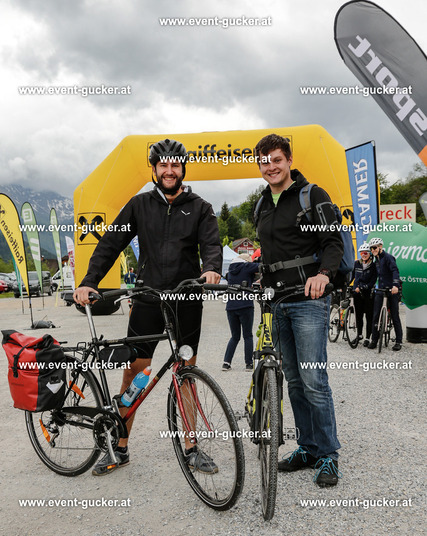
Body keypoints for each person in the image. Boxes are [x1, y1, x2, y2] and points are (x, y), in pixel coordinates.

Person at [73, 138, 222, 475]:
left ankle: (191, 447)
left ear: (182, 168)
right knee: (135, 372)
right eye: (163, 165)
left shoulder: (200, 207)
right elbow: (111, 243)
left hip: (186, 299)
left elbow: (211, 244)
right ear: (154, 169)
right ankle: (120, 447)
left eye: (175, 165)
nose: (169, 171)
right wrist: (89, 280)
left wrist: (212, 268)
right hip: (147, 299)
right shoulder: (139, 205)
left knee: (186, 373)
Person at [254, 133, 344, 487]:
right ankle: (307, 447)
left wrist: (324, 274)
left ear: (289, 160)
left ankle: (328, 454)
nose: (270, 167)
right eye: (264, 162)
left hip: (308, 302)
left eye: (276, 159)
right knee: (293, 381)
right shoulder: (261, 204)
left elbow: (333, 242)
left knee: (313, 381)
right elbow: (270, 254)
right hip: (277, 303)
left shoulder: (312, 195)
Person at [222, 253, 259, 371]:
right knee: (247, 336)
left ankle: (226, 363)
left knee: (234, 336)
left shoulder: (230, 270)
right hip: (245, 305)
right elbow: (260, 267)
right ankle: (249, 364)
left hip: (231, 307)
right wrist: (257, 260)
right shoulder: (246, 267)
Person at [367, 237, 403, 351]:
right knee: (375, 315)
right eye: (371, 248)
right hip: (381, 290)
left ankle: (398, 341)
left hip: (392, 290)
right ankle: (374, 340)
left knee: (395, 315)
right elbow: (374, 276)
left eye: (374, 248)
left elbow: (395, 271)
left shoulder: (388, 257)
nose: (373, 250)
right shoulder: (376, 260)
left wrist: (395, 285)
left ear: (380, 246)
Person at [352, 242, 377, 347]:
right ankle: (359, 335)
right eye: (362, 253)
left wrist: (363, 287)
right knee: (358, 315)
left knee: (369, 316)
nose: (363, 255)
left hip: (368, 294)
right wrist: (347, 285)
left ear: (370, 254)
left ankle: (367, 338)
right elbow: (352, 277)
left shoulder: (373, 266)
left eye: (366, 253)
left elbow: (373, 281)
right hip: (357, 293)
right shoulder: (357, 263)